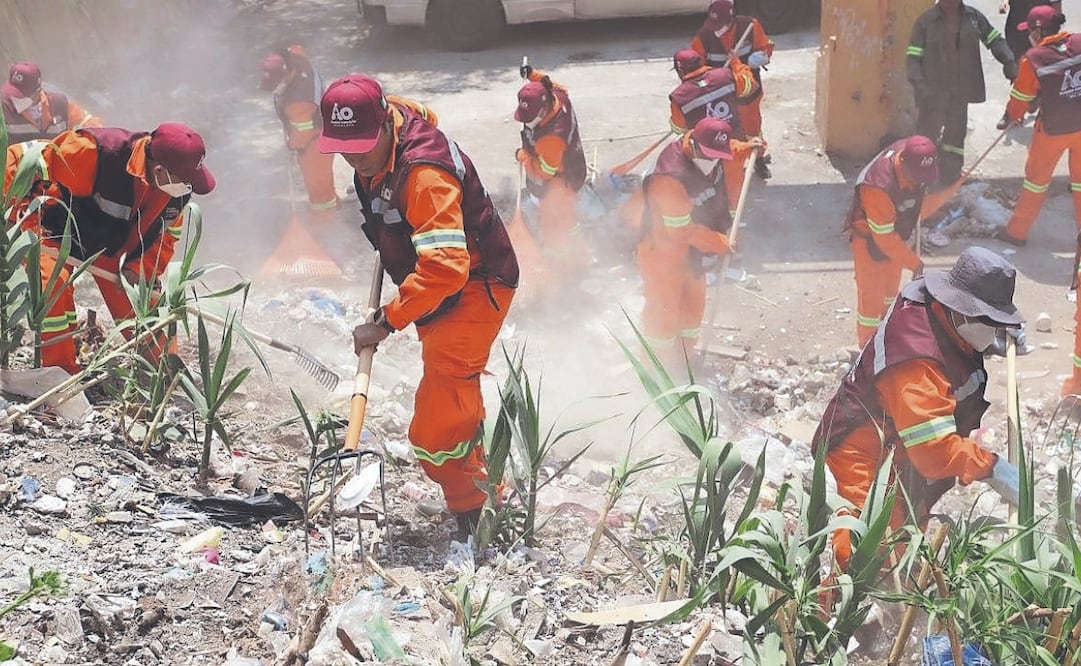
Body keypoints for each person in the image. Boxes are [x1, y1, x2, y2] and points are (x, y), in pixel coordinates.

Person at [318, 74, 518, 537]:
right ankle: (485, 487)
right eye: (344, 149)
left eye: (364, 147)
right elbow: (420, 115)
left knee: (434, 433)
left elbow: (448, 267)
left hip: (473, 288)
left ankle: (477, 512)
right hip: (437, 291)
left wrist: (387, 321)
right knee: (455, 399)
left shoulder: (425, 176)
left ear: (385, 123)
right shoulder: (390, 128)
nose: (355, 159)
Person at [813, 246, 1025, 569]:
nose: (993, 329)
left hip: (899, 444)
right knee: (867, 549)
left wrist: (994, 333)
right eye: (990, 321)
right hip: (865, 447)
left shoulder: (936, 307)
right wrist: (992, 468)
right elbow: (934, 452)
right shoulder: (916, 362)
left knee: (906, 534)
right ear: (962, 310)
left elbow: (960, 344)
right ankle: (836, 612)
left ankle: (894, 605)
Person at [3, 123, 215, 374]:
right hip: (51, 225)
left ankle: (162, 375)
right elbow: (24, 175)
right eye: (186, 181)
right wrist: (27, 230)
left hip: (107, 241)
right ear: (160, 170)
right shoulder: (94, 153)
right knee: (53, 285)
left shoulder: (175, 189)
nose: (188, 187)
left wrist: (139, 268)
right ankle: (60, 374)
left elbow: (166, 237)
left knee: (145, 311)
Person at [636, 118, 759, 368]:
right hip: (662, 256)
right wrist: (719, 243)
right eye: (709, 155)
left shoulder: (709, 149)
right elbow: (681, 231)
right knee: (663, 317)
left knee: (692, 310)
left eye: (717, 156)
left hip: (691, 255)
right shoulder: (669, 176)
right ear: (692, 144)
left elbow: (727, 148)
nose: (713, 161)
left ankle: (684, 362)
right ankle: (656, 369)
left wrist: (749, 147)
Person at [845, 136, 957, 347]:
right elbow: (884, 238)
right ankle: (867, 351)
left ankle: (887, 337)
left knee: (890, 293)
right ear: (902, 162)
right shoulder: (877, 187)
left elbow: (915, 206)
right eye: (916, 177)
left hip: (895, 234)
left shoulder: (912, 155)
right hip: (869, 238)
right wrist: (913, 262)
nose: (919, 182)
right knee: (872, 299)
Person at [994, 5, 1079, 247]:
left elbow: (1021, 99)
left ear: (1037, 31)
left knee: (1036, 181)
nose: (1028, 35)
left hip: (1053, 130)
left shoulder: (1033, 59)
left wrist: (1012, 116)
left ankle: (1017, 233)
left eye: (1029, 31)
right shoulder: (1079, 42)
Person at [906, 0, 1017, 186]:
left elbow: (994, 39)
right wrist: (921, 87)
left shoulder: (973, 18)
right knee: (925, 139)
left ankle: (950, 177)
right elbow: (913, 58)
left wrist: (1009, 60)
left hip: (960, 92)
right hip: (933, 94)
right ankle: (918, 180)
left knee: (955, 139)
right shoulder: (925, 22)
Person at [514, 64, 590, 294]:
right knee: (570, 223)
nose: (527, 123)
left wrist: (524, 156)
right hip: (572, 169)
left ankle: (563, 271)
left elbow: (545, 171)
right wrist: (532, 75)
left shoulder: (552, 138)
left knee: (554, 227)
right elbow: (549, 83)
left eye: (531, 118)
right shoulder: (558, 95)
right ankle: (579, 257)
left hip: (559, 183)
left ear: (544, 108)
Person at [690, 0, 774, 179]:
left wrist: (759, 58)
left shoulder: (750, 27)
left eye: (720, 25)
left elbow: (766, 48)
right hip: (720, 94)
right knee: (722, 130)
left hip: (748, 91)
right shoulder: (703, 36)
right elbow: (696, 67)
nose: (716, 29)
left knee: (752, 128)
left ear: (731, 20)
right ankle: (722, 164)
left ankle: (757, 159)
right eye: (713, 24)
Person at [259, 46, 339, 214]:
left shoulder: (299, 103)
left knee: (318, 188)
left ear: (287, 74)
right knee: (324, 179)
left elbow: (303, 132)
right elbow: (297, 48)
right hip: (321, 132)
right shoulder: (295, 56)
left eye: (277, 84)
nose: (274, 89)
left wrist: (293, 145)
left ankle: (324, 225)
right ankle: (332, 203)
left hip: (314, 142)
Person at [1, 61, 102, 143]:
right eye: (12, 93)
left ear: (37, 92)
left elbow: (90, 123)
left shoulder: (59, 104)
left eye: (20, 95)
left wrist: (74, 145)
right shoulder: (4, 110)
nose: (14, 98)